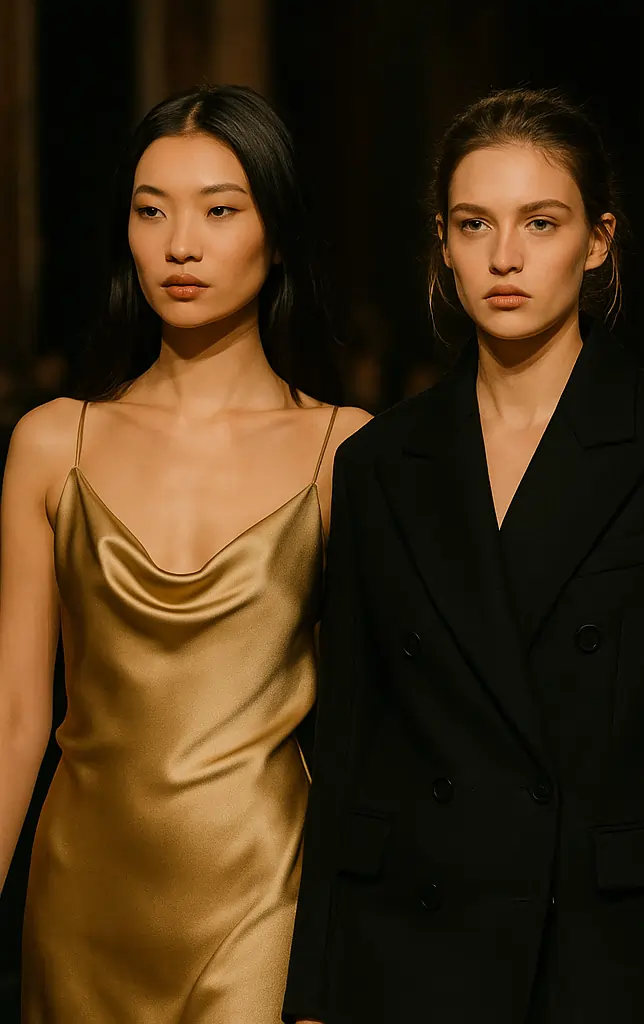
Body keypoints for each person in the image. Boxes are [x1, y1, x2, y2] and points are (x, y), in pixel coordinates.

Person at [283, 88, 644, 1024]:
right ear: (443, 241)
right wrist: (315, 989)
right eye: (475, 224)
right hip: (412, 952)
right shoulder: (378, 464)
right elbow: (348, 746)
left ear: (597, 240)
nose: (504, 257)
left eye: (539, 223)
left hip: (607, 958)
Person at [0, 85, 367, 1022]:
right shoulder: (53, 443)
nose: (181, 244)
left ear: (276, 233)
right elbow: (12, 715)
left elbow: (376, 734)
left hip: (261, 899)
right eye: (151, 209)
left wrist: (334, 959)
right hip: (78, 903)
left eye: (219, 209)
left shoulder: (345, 453)